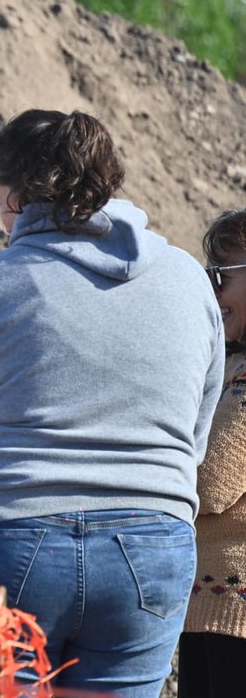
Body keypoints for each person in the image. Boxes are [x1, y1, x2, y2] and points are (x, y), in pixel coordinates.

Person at [0, 109, 223, 697]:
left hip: (7, 539)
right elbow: (196, 432)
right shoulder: (188, 280)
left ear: (16, 196)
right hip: (151, 545)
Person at [178, 209, 246, 698]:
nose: (211, 289)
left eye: (222, 274)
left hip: (233, 613)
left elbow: (212, 483)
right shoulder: (232, 365)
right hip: (215, 607)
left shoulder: (242, 377)